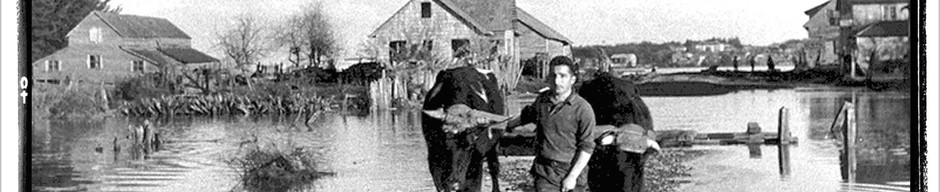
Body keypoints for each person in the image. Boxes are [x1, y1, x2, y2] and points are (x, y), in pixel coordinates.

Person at [507, 56, 596, 192]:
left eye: (562, 76)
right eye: (553, 76)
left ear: (572, 80)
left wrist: (572, 177)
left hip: (572, 172)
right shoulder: (542, 101)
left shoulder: (583, 109)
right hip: (545, 172)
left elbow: (587, 147)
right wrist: (507, 125)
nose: (557, 81)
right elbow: (527, 116)